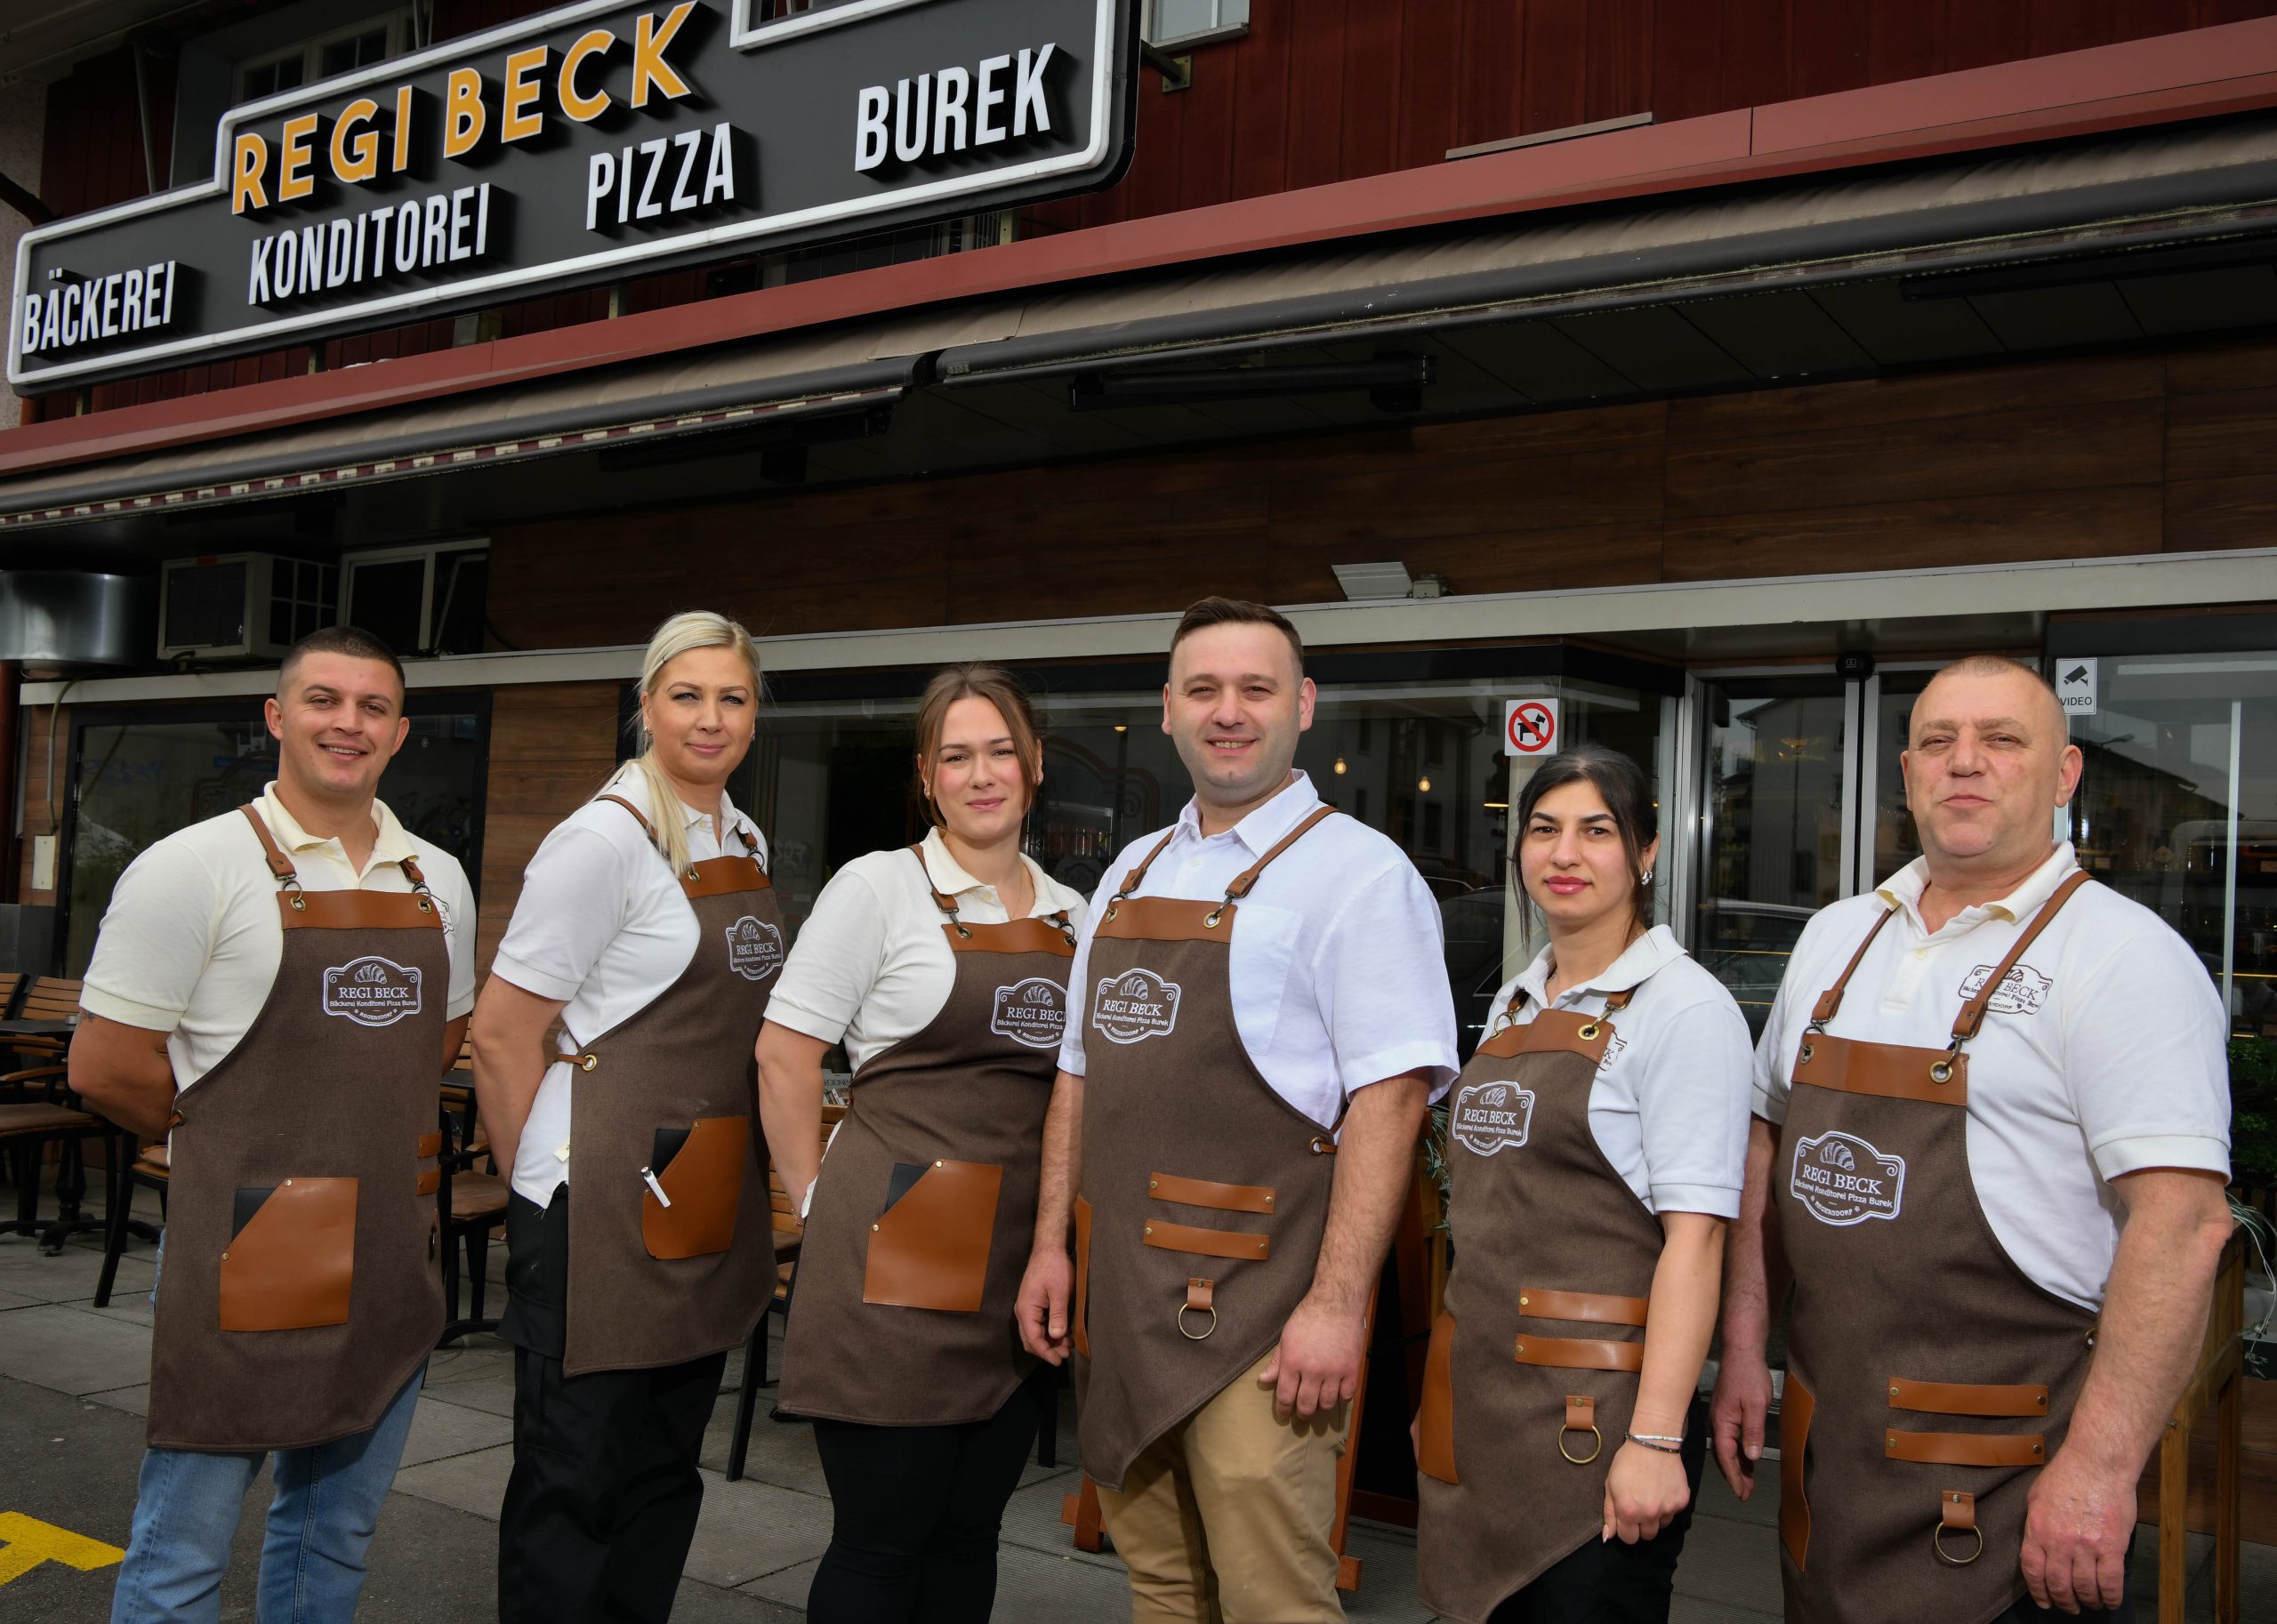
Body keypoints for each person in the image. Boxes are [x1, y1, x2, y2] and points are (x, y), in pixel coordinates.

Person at [1710, 655, 2234, 1624]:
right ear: (1907, 772)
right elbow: (1764, 1144)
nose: (1965, 762)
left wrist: (2100, 1468)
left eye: (2001, 739)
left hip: (2005, 1480)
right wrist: (1744, 1342)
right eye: (1939, 741)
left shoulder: (2124, 957)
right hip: (1834, 1454)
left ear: (2064, 774)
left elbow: (2183, 1223)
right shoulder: (1836, 936)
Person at [1015, 596, 1460, 1624]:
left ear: (1302, 705)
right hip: (1126, 1302)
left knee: (1273, 1602)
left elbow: (1390, 1101)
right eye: (1204, 689)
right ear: (1167, 708)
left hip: (1263, 1315)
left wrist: (1337, 1305)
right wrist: (1049, 1246)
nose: (1229, 711)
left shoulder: (1361, 874)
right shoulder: (1130, 870)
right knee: (1164, 1588)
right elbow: (1077, 1074)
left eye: (1256, 688)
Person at [71, 625, 478, 1624]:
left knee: (335, 1536)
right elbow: (105, 1066)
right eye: (323, 700)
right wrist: (231, 1145)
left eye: (373, 707)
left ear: (399, 733)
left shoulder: (438, 878)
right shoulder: (192, 866)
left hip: (390, 1243)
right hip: (249, 1246)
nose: (349, 723)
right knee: (183, 1550)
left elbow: (438, 1040)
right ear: (276, 717)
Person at [760, 663, 1088, 1623]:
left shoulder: (1075, 914)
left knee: (969, 1535)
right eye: (956, 756)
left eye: (1000, 752)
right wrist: (818, 1207)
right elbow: (784, 1054)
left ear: (1034, 764)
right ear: (926, 775)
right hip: (897, 1250)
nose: (981, 775)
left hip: (1019, 1260)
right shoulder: (878, 887)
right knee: (881, 1540)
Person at [471, 610, 781, 1624]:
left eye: (732, 697)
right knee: (575, 1479)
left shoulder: (743, 837)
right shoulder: (600, 841)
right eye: (687, 695)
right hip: (593, 1205)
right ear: (647, 705)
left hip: (694, 1198)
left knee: (661, 1472)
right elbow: (502, 1034)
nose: (710, 717)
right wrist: (540, 1198)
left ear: (755, 715)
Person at [1412, 744, 1751, 1624]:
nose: (1563, 854)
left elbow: (1697, 1241)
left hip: (1593, 1423)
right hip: (1484, 1405)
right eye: (1543, 829)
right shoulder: (1517, 1000)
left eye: (1596, 830)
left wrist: (1656, 1439)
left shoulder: (1685, 1009)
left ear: (1645, 852)